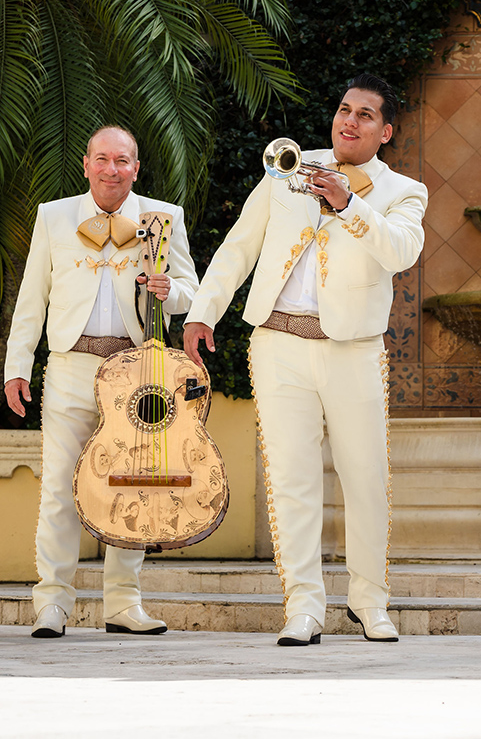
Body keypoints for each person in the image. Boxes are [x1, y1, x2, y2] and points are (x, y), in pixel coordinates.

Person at [183, 73, 427, 646]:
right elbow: (241, 244)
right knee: (291, 478)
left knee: (364, 477)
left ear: (385, 131)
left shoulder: (403, 191)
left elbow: (401, 252)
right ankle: (303, 608)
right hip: (277, 342)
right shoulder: (288, 165)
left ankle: (370, 603)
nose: (349, 121)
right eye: (344, 109)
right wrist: (202, 311)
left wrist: (348, 205)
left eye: (366, 115)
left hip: (352, 349)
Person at [4, 125, 199, 638]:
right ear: (86, 164)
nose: (112, 170)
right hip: (69, 366)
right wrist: (17, 366)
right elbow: (32, 298)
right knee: (59, 488)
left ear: (136, 168)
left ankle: (122, 603)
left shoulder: (163, 217)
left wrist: (168, 291)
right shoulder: (54, 215)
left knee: (132, 485)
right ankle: (52, 602)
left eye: (123, 161)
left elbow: (190, 292)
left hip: (139, 372)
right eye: (103, 160)